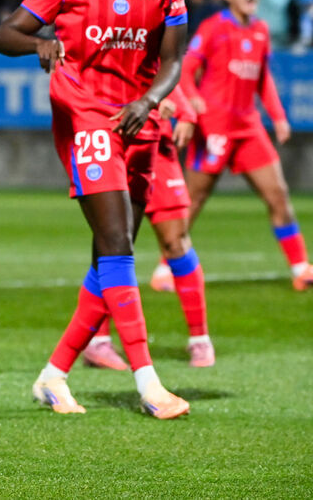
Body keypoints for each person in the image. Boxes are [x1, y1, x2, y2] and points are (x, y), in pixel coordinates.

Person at [0, 0, 190, 419]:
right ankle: (149, 384)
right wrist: (38, 43)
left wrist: (150, 101)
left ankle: (53, 376)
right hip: (85, 116)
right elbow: (2, 33)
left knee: (109, 257)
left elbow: (174, 59)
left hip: (139, 121)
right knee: (118, 241)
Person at [181, 0, 313, 292]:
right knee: (194, 199)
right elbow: (184, 71)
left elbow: (263, 79)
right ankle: (169, 266)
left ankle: (301, 269)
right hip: (214, 127)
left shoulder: (261, 30)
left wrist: (278, 117)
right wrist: (192, 101)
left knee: (278, 195)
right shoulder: (213, 28)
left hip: (249, 127)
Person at [82, 84, 215, 370]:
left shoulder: (152, 38)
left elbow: (163, 64)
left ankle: (199, 339)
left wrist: (185, 111)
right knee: (111, 244)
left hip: (157, 144)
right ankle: (97, 342)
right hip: (111, 138)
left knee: (176, 240)